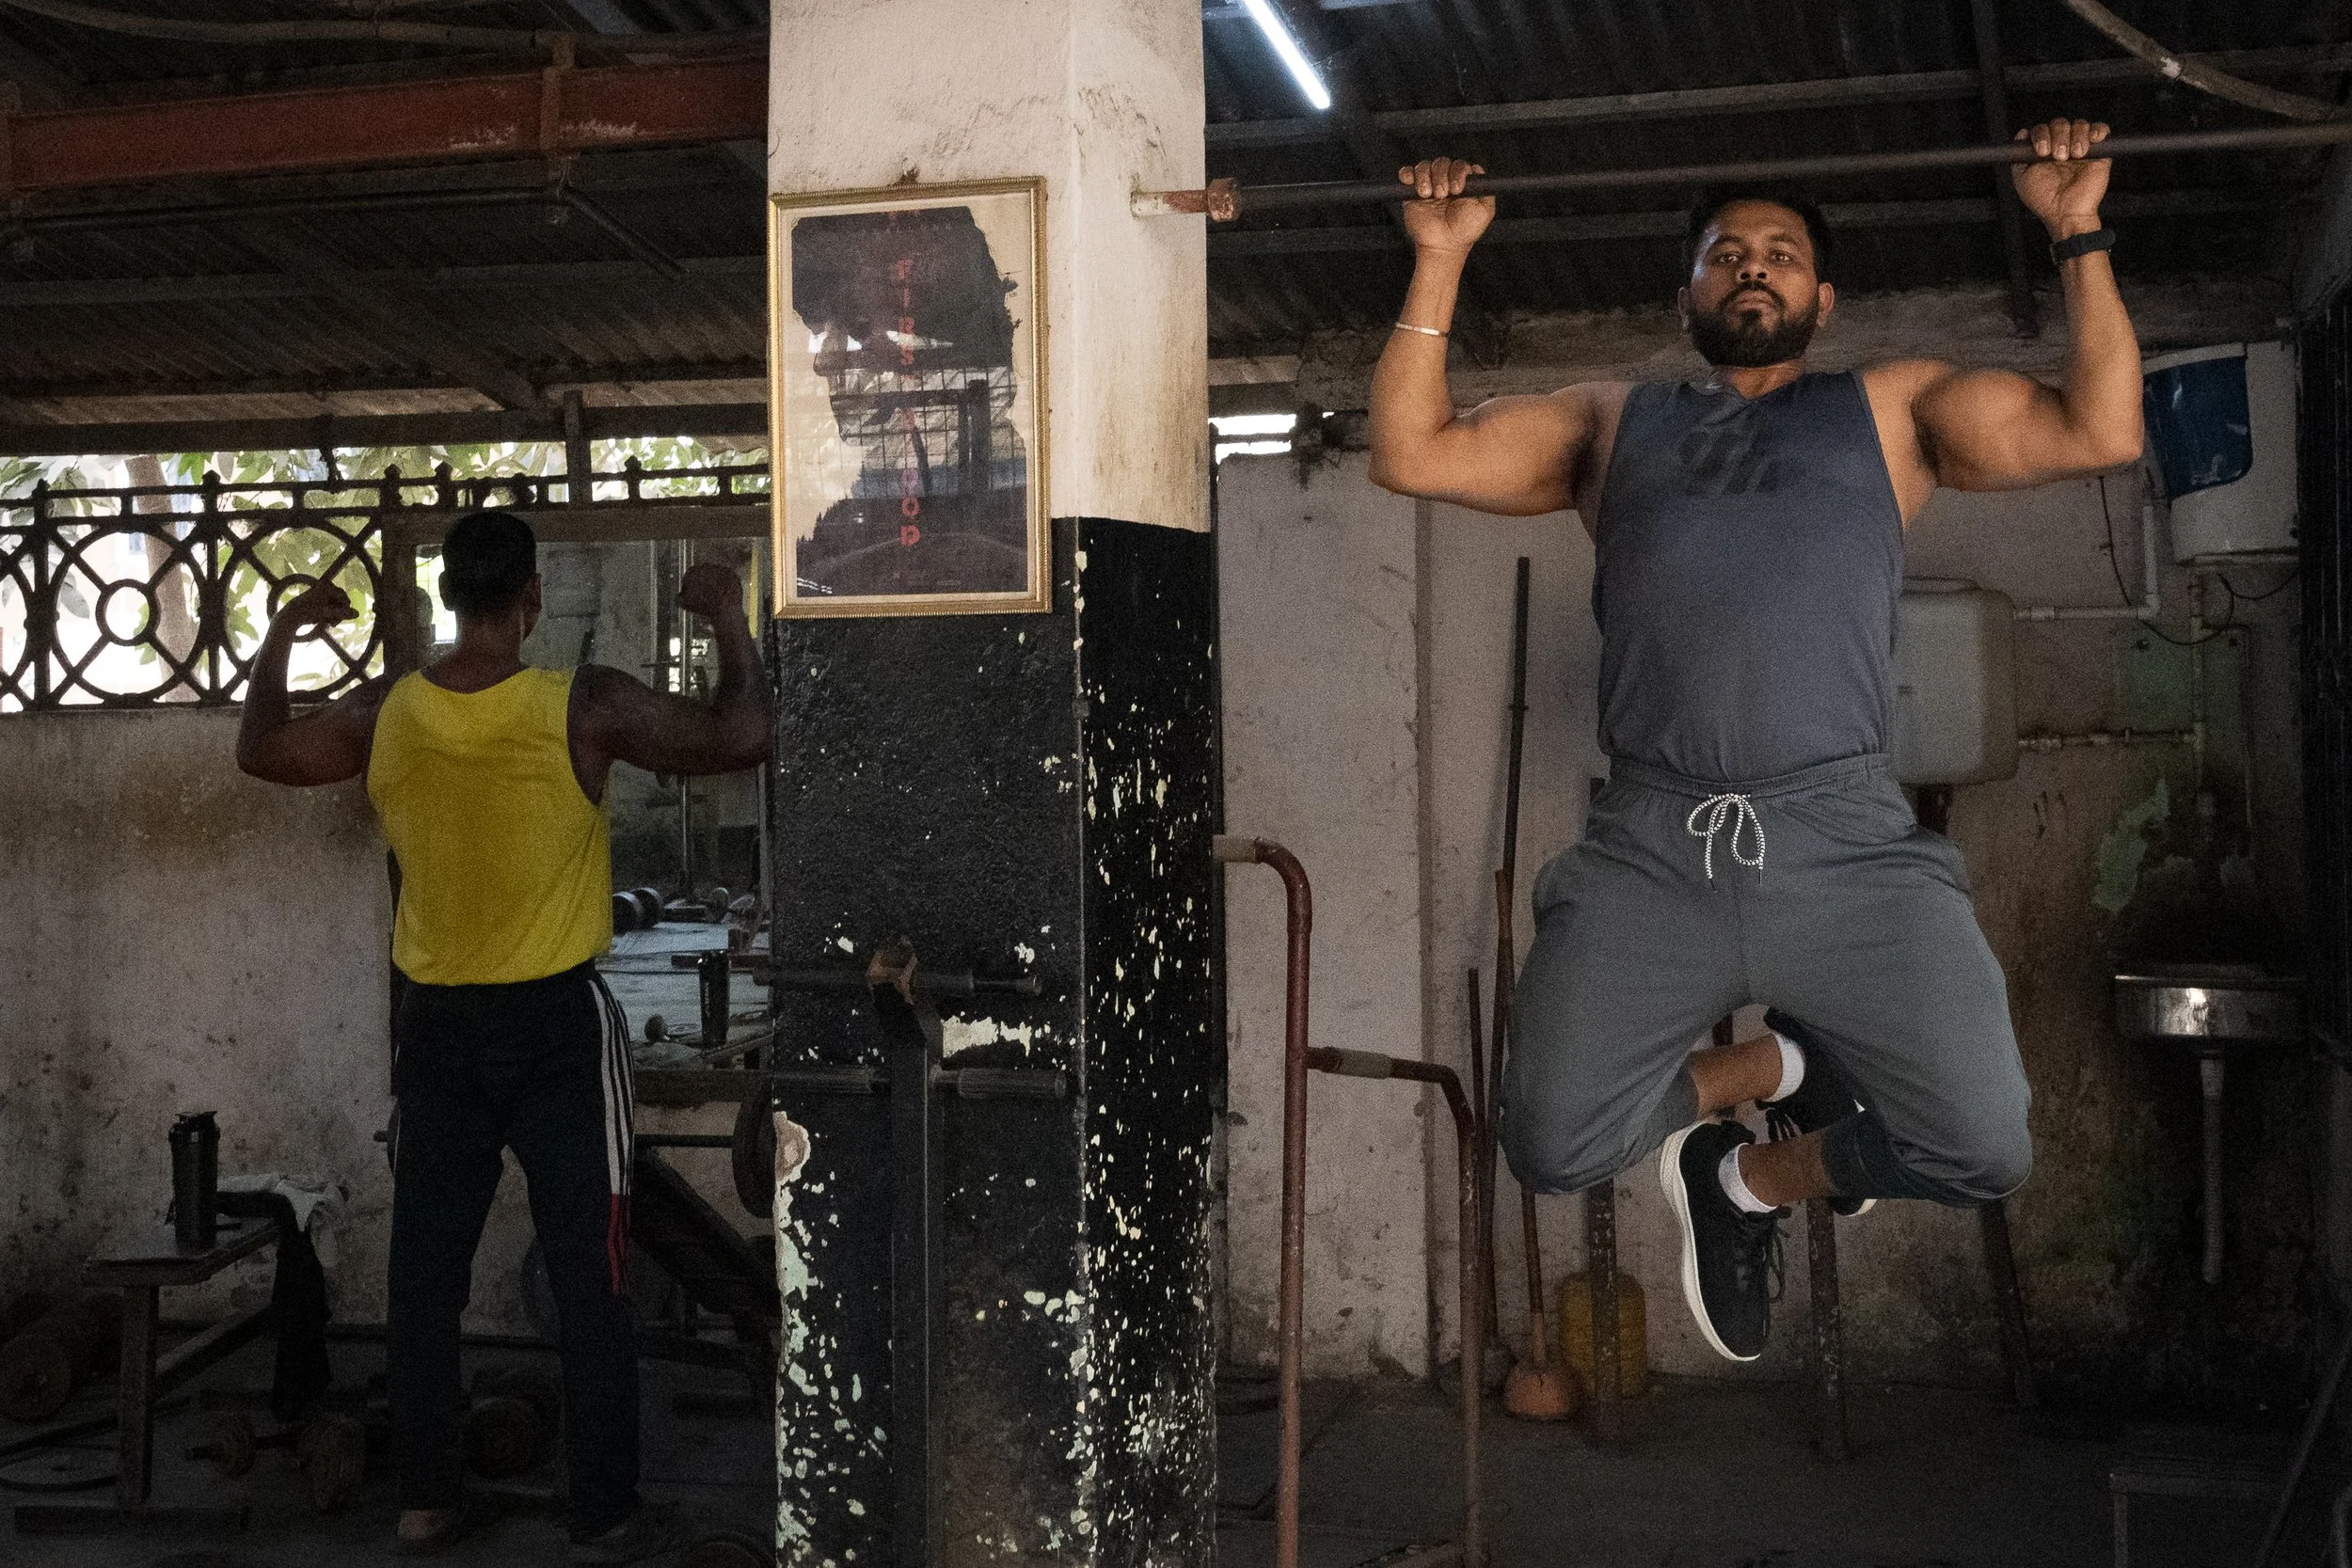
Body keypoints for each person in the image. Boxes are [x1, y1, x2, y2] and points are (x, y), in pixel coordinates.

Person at [1368, 120, 2141, 1362]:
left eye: (1780, 252)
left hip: (1842, 843)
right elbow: (1411, 451)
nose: (1752, 266)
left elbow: (2098, 429)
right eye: (1725, 252)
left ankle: (1751, 1179)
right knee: (1549, 1140)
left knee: (1984, 1142)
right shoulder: (1609, 422)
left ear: (1823, 296)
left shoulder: (1891, 410)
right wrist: (1441, 257)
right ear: (1690, 290)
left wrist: (2077, 230)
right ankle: (1771, 1060)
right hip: (1652, 847)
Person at [236, 511, 771, 1560]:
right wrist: (729, 620)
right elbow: (746, 733)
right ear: (530, 599)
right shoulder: (583, 705)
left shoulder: (388, 712)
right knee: (592, 1277)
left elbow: (260, 750)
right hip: (554, 1028)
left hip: (434, 1029)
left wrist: (286, 632)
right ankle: (603, 1507)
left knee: (422, 1277)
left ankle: (428, 1499)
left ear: (448, 598)